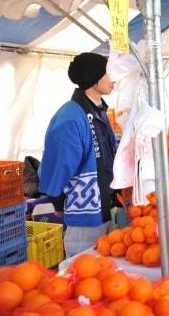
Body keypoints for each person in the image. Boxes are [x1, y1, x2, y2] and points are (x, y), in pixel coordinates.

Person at [39, 53, 118, 257]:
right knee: (85, 278)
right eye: (109, 73)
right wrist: (57, 200)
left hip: (106, 209)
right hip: (85, 217)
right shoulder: (70, 117)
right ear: (93, 77)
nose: (115, 78)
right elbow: (58, 165)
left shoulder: (99, 112)